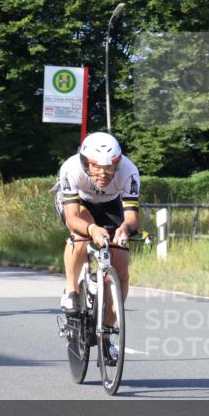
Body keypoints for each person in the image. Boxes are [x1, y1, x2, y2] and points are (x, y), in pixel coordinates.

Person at [54, 133, 140, 362]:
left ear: (118, 163)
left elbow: (131, 217)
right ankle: (72, 291)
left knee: (121, 272)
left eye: (111, 166)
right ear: (85, 162)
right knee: (79, 235)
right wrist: (91, 230)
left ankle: (107, 333)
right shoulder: (71, 169)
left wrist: (124, 229)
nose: (104, 173)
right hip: (79, 203)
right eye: (96, 166)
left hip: (111, 204)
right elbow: (72, 217)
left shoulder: (129, 171)